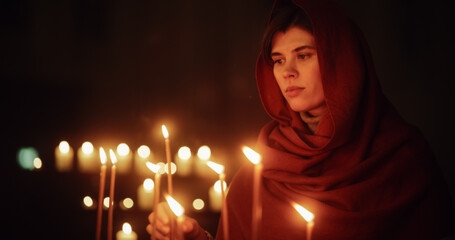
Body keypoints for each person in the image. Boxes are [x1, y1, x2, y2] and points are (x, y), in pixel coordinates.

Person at [147, 0, 455, 239]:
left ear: (342, 60)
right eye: (278, 60)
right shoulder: (260, 172)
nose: (287, 71)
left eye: (304, 55)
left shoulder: (405, 160)